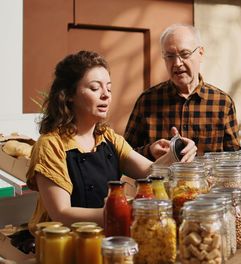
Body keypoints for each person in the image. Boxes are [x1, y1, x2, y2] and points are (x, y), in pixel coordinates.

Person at [26, 50, 197, 230]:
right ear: (68, 94)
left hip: (106, 238)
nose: (106, 95)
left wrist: (176, 153)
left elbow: (150, 172)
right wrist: (125, 212)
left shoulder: (107, 137)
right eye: (94, 88)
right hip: (64, 245)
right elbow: (61, 213)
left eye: (108, 88)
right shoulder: (51, 145)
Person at [124, 23, 241, 159]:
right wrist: (149, 151)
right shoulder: (147, 100)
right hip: (161, 180)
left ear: (201, 53)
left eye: (184, 54)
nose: (177, 63)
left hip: (206, 180)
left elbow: (235, 160)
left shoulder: (222, 103)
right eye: (169, 56)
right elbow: (124, 155)